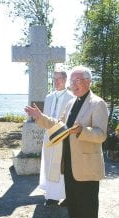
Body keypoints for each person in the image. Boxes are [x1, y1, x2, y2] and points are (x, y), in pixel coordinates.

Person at [25, 66, 108, 218]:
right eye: (72, 81)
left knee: (88, 207)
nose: (74, 84)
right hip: (69, 163)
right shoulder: (71, 103)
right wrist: (40, 118)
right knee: (74, 205)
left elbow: (101, 135)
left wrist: (82, 131)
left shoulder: (98, 103)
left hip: (87, 167)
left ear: (89, 82)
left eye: (78, 80)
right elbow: (59, 125)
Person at [39, 70, 73, 207]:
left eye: (59, 79)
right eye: (54, 79)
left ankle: (65, 195)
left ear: (65, 80)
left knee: (61, 166)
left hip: (63, 136)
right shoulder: (48, 97)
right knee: (49, 164)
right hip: (49, 136)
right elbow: (45, 117)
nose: (56, 81)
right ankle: (51, 196)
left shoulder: (71, 97)